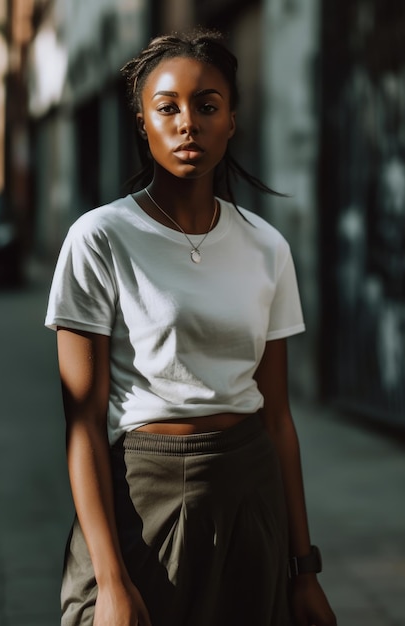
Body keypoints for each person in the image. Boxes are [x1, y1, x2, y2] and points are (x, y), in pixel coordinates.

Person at [45, 28, 337, 626]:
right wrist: (110, 580)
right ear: (142, 121)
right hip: (147, 498)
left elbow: (278, 418)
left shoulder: (266, 246)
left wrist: (304, 570)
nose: (188, 124)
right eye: (168, 107)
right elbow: (83, 423)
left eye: (207, 106)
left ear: (231, 121)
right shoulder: (100, 238)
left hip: (252, 495)